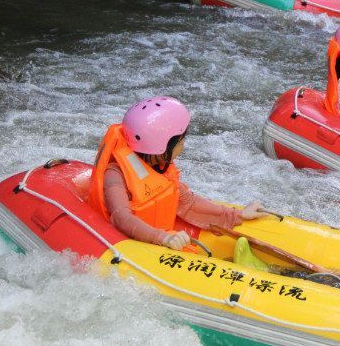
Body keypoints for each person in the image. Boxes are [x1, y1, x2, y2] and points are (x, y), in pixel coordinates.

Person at [87, 96, 267, 251]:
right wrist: (163, 238)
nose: (183, 146)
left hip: (158, 235)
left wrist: (238, 214)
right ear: (160, 145)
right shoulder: (115, 174)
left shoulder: (159, 166)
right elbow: (121, 217)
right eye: (180, 141)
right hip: (131, 244)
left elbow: (187, 202)